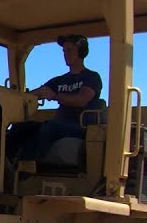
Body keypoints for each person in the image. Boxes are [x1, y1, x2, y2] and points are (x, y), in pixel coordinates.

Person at [7, 34, 104, 165]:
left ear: (81, 51)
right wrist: (20, 97)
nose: (65, 54)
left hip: (80, 127)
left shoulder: (91, 77)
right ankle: (5, 164)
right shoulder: (59, 80)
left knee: (49, 127)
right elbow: (37, 93)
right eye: (64, 51)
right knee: (22, 127)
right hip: (59, 125)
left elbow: (81, 100)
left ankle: (27, 165)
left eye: (69, 50)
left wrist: (55, 96)